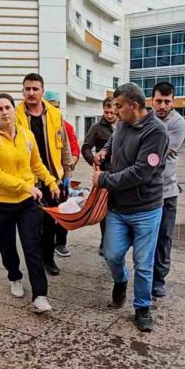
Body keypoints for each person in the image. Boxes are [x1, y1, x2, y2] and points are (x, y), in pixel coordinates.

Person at [91, 82, 168, 332]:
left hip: (146, 209)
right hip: (118, 208)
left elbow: (140, 173)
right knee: (112, 254)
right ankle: (121, 281)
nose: (115, 111)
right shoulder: (122, 123)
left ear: (134, 106)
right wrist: (103, 152)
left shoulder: (156, 132)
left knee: (143, 264)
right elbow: (113, 142)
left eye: (119, 106)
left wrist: (103, 179)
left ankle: (142, 307)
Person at [0, 93, 60, 313]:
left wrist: (51, 182)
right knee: (7, 247)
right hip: (0, 203)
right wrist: (27, 186)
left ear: (15, 109)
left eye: (8, 107)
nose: (5, 112)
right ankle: (14, 276)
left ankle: (40, 295)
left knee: (32, 246)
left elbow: (37, 164)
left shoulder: (27, 135)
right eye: (0, 109)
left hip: (27, 203)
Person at [15, 73, 72, 276]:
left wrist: (67, 172)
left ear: (42, 91)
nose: (31, 93)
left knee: (50, 222)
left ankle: (48, 258)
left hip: (53, 179)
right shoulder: (15, 116)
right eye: (27, 89)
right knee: (33, 223)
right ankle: (35, 261)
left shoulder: (54, 114)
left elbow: (64, 145)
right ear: (23, 91)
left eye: (35, 89)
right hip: (29, 181)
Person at [150, 82, 185, 298]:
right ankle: (146, 272)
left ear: (173, 101)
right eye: (158, 101)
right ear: (151, 100)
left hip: (167, 191)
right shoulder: (146, 118)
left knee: (164, 236)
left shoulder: (178, 123)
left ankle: (159, 278)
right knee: (146, 236)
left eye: (167, 101)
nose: (162, 105)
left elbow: (159, 154)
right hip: (146, 191)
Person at [44, 90, 79, 258]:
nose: (54, 110)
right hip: (42, 179)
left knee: (64, 211)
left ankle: (61, 243)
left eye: (56, 107)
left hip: (61, 179)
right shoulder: (38, 126)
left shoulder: (66, 126)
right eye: (51, 106)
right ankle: (46, 249)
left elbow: (74, 149)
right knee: (46, 217)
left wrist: (68, 170)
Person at [81, 97, 117, 256]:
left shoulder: (124, 125)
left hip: (122, 174)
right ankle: (104, 242)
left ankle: (116, 241)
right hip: (104, 175)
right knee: (105, 210)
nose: (109, 115)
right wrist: (94, 164)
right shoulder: (97, 128)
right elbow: (86, 148)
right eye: (106, 112)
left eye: (112, 112)